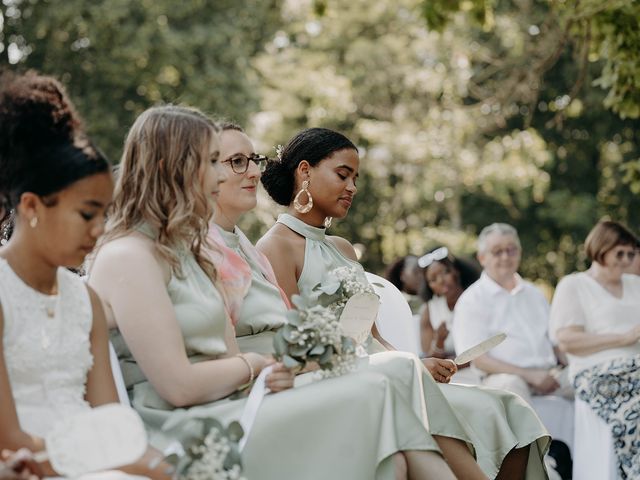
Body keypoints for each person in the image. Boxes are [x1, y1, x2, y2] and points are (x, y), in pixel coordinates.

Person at [88, 108, 459, 480]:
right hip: (185, 427)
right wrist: (257, 367)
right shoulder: (128, 256)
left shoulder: (193, 254)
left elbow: (229, 351)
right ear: (171, 167)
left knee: (387, 447)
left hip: (235, 398)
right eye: (212, 162)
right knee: (374, 399)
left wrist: (270, 375)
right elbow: (179, 386)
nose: (221, 176)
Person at [257, 127, 551, 480]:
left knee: (506, 408)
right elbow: (297, 349)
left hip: (396, 373)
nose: (352, 187)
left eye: (356, 178)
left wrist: (419, 363)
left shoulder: (343, 249)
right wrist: (403, 369)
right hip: (346, 383)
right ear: (304, 171)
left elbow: (375, 338)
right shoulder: (275, 248)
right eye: (342, 174)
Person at [0, 72, 167, 478]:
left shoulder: (85, 299)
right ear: (32, 207)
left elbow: (111, 421)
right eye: (86, 214)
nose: (98, 230)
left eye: (104, 214)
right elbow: (10, 439)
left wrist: (149, 461)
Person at [550, 220, 640, 479]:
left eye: (630, 254)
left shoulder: (635, 284)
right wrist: (624, 337)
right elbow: (568, 341)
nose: (625, 261)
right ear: (600, 250)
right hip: (594, 372)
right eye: (618, 254)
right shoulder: (574, 285)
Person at [452, 223, 569, 404]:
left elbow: (555, 343)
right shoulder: (472, 300)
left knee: (590, 376)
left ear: (519, 253)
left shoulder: (534, 293)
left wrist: (574, 364)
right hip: (503, 377)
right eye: (497, 251)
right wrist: (529, 375)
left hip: (550, 374)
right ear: (482, 258)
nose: (505, 256)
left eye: (511, 250)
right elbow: (478, 359)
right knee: (511, 387)